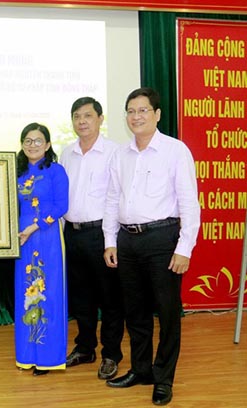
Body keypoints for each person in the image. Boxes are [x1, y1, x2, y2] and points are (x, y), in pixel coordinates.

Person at [103, 87, 200, 406]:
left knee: (167, 312)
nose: (136, 116)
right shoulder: (120, 154)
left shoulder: (175, 150)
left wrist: (184, 247)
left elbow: (189, 202)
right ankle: (141, 369)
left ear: (157, 114)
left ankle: (163, 378)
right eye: (131, 111)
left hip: (162, 239)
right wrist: (110, 240)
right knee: (135, 312)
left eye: (143, 110)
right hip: (127, 241)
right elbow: (112, 199)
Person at [59, 97, 124, 380]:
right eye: (77, 116)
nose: (82, 121)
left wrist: (111, 240)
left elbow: (116, 197)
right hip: (72, 234)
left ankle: (111, 354)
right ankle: (85, 348)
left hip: (102, 234)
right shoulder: (66, 153)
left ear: (100, 119)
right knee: (81, 297)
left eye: (87, 115)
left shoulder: (114, 152)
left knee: (110, 298)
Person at [14, 122, 69, 376]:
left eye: (37, 141)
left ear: (47, 145)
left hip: (47, 237)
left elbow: (61, 206)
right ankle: (27, 355)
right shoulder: (17, 172)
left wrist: (35, 227)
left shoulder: (56, 171)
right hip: (22, 239)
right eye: (27, 140)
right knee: (26, 292)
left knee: (49, 293)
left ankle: (48, 357)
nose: (32, 145)